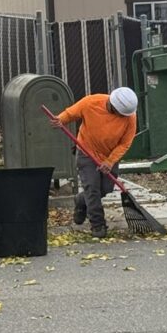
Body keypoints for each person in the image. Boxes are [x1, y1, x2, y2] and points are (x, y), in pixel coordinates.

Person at [51, 87, 137, 238]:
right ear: (112, 104)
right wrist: (61, 119)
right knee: (92, 188)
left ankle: (81, 200)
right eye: (119, 114)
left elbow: (125, 143)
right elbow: (71, 113)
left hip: (110, 155)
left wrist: (110, 161)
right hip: (87, 152)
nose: (122, 117)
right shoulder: (91, 102)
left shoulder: (130, 116)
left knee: (106, 188)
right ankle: (98, 225)